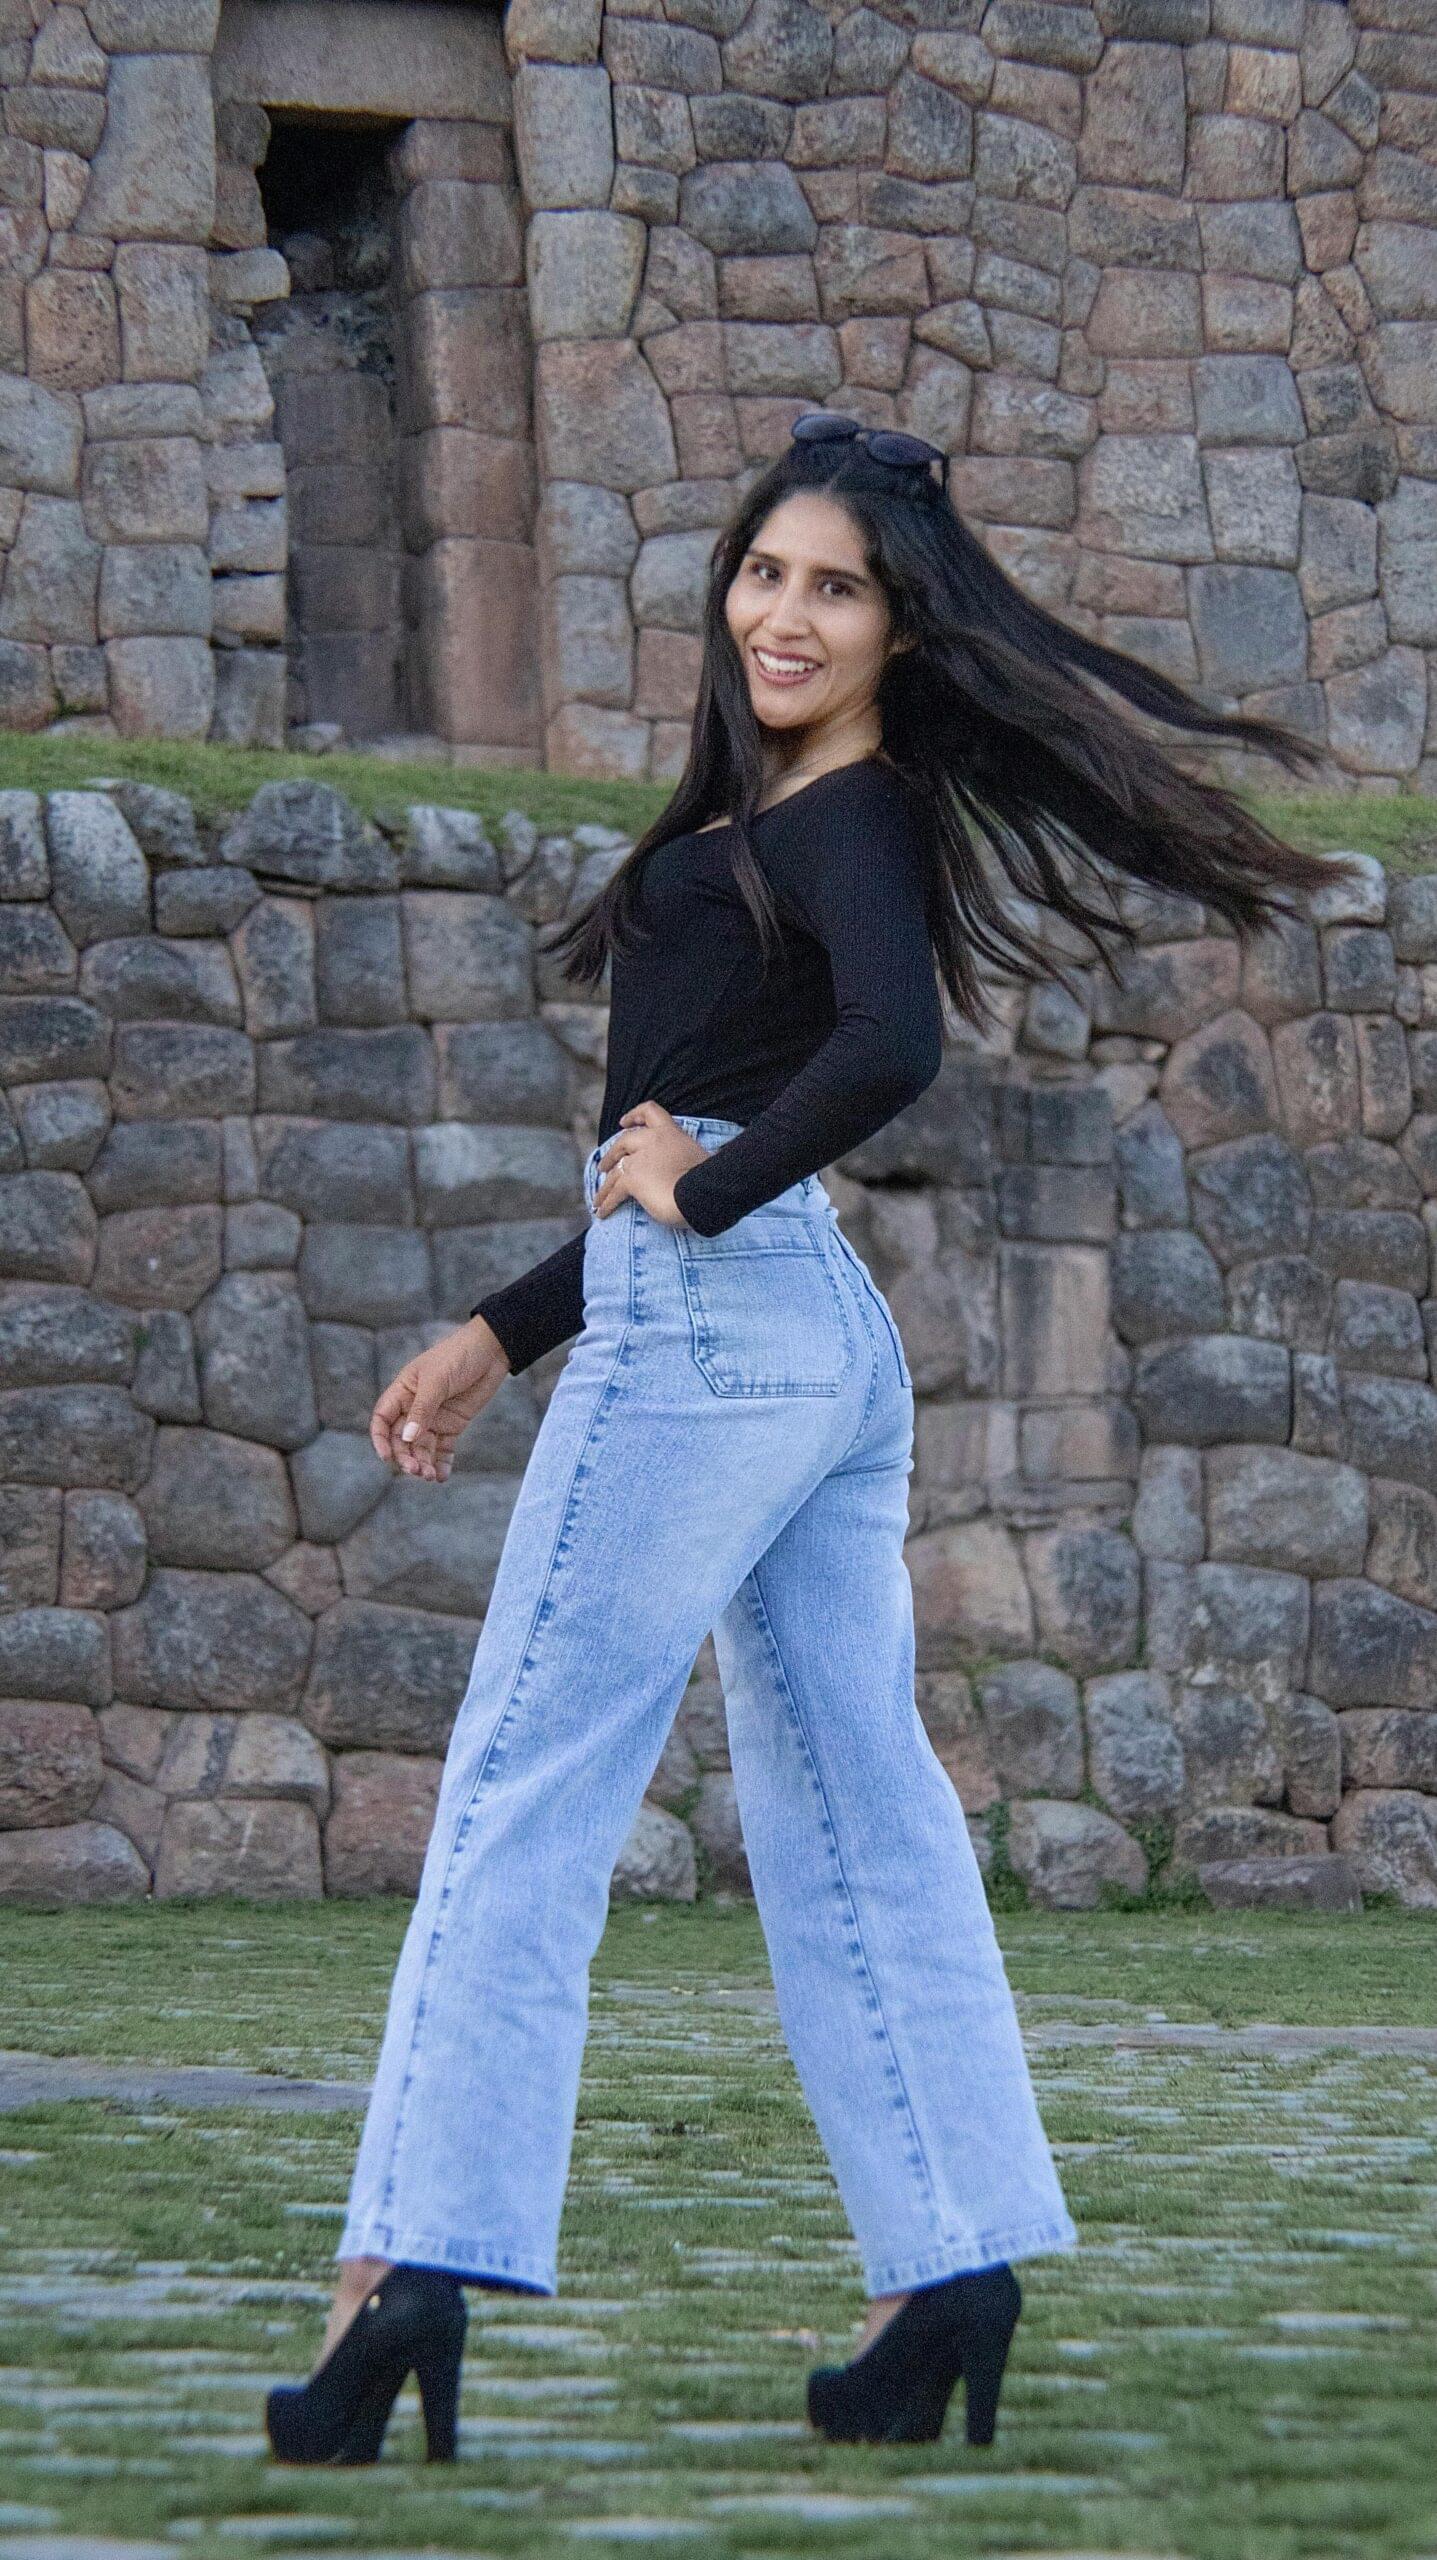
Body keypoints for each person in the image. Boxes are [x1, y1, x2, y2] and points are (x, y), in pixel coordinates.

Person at [265, 411, 1354, 2469]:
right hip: (802, 1338)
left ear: (893, 629)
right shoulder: (778, 815)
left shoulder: (844, 814)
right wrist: (501, 1332)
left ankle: (401, 2265)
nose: (784, 613)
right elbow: (694, 1133)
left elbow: (881, 1051)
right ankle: (946, 2262)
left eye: (833, 588)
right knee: (861, 1801)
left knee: (519, 1780)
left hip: (718, 1324)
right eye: (765, 572)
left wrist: (698, 1195)